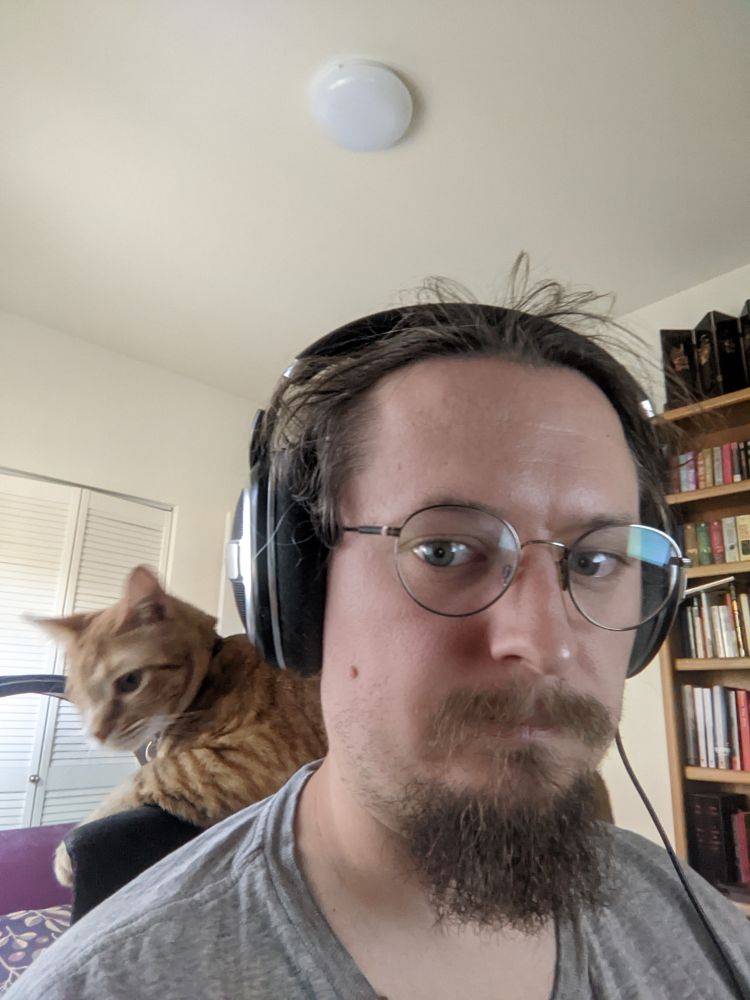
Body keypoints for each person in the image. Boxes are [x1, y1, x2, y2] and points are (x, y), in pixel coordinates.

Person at [8, 266, 750, 999]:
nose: (546, 644)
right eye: (444, 550)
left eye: (594, 560)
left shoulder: (710, 936)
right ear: (295, 597)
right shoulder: (105, 983)